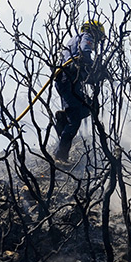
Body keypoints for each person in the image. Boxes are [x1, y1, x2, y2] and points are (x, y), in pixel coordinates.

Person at [53, 19, 108, 162]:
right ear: (94, 32)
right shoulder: (86, 37)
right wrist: (98, 69)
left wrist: (97, 76)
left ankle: (63, 117)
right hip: (68, 81)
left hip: (67, 81)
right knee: (75, 120)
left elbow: (84, 73)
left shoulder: (74, 40)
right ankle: (60, 156)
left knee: (89, 106)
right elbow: (84, 54)